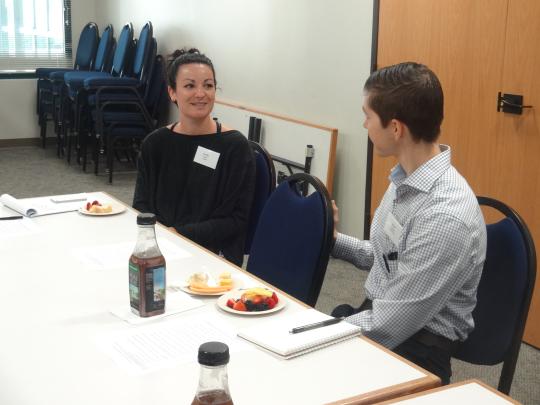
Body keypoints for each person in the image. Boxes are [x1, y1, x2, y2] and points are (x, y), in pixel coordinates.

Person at [331, 62, 487, 384]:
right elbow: (388, 259)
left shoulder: (446, 216)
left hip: (416, 351)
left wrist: (318, 335)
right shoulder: (406, 178)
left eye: (368, 116)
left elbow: (390, 325)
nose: (364, 124)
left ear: (396, 128)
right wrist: (330, 240)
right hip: (385, 320)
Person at [133, 48, 255, 266]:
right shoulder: (154, 144)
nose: (201, 93)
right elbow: (142, 207)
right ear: (172, 92)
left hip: (213, 256)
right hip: (161, 247)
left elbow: (235, 220)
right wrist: (162, 239)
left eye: (208, 85)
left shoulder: (235, 147)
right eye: (190, 85)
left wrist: (177, 234)